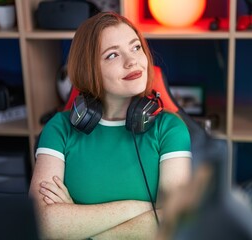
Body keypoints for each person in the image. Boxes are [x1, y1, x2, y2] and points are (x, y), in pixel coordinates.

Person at [29, 12, 192, 240]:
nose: (132, 60)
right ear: (89, 69)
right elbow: (41, 224)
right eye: (113, 55)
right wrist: (145, 208)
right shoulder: (59, 128)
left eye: (136, 47)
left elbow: (174, 224)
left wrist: (75, 222)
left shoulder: (169, 128)